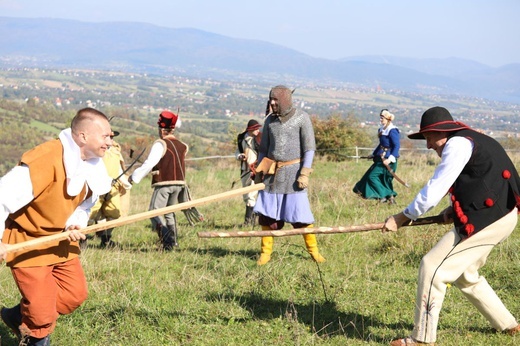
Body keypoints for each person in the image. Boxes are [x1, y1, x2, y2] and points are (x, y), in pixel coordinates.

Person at [382, 106, 520, 345]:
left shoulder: (457, 145)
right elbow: (480, 180)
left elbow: (435, 188)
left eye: (428, 138)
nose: (428, 145)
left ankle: (422, 339)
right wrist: (454, 209)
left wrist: (403, 216)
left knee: (432, 267)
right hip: (491, 216)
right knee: (466, 274)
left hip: (489, 220)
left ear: (442, 131)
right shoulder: (470, 140)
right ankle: (509, 324)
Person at [0, 108, 113, 345]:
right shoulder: (47, 158)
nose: (110, 143)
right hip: (29, 240)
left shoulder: (92, 164)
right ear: (83, 136)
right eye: (105, 136)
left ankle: (15, 316)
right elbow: (2, 196)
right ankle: (34, 334)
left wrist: (77, 222)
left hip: (60, 239)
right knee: (41, 312)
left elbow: (84, 203)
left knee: (74, 295)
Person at [253, 85, 326, 266]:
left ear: (285, 100)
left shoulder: (302, 118)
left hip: (294, 176)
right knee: (267, 217)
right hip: (272, 175)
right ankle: (265, 254)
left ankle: (314, 252)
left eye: (276, 100)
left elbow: (309, 148)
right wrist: (259, 171)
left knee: (301, 216)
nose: (272, 103)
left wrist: (305, 173)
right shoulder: (270, 121)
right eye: (271, 99)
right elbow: (264, 150)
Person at [128, 110, 189, 251]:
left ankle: (167, 242)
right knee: (169, 212)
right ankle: (174, 242)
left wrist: (133, 177)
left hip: (164, 184)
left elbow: (149, 163)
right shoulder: (183, 145)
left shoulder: (160, 144)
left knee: (154, 212)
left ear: (162, 130)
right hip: (180, 185)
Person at [87, 129, 132, 248]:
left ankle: (106, 238)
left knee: (114, 213)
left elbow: (118, 169)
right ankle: (83, 239)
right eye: (108, 137)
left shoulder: (116, 152)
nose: (111, 140)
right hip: (96, 187)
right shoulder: (95, 152)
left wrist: (125, 182)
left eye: (112, 137)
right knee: (90, 214)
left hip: (112, 188)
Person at [353, 109, 400, 204]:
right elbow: (381, 145)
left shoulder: (392, 130)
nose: (380, 119)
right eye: (380, 117)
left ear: (388, 119)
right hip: (380, 158)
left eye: (382, 118)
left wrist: (390, 159)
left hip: (388, 160)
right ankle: (390, 199)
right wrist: (374, 154)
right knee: (379, 179)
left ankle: (383, 196)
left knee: (373, 177)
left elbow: (396, 146)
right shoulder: (382, 129)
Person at [235, 119, 262, 226]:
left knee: (251, 195)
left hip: (256, 171)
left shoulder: (260, 138)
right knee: (246, 196)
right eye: (256, 129)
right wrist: (240, 156)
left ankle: (249, 222)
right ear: (250, 130)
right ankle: (251, 221)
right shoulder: (241, 138)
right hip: (244, 170)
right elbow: (237, 152)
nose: (258, 131)